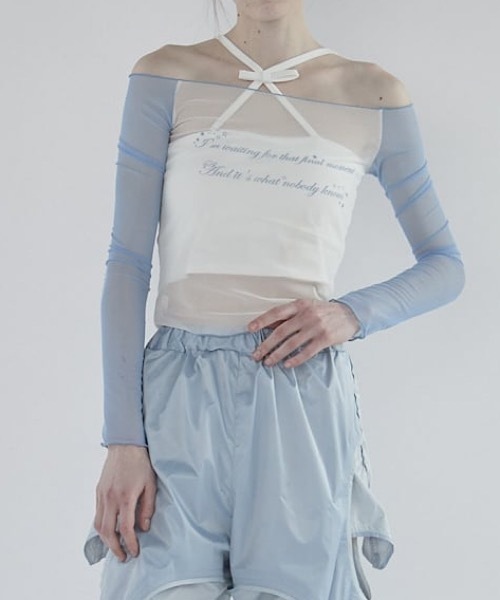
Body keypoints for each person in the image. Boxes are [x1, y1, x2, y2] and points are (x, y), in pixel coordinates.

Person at [83, 1, 465, 599]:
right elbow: (127, 265)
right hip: (177, 402)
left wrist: (350, 314)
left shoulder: (373, 95)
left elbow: (445, 265)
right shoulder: (166, 76)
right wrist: (123, 441)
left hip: (301, 401)